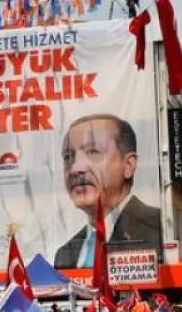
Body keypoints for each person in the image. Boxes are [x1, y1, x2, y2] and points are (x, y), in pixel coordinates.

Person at [52, 114, 162, 269]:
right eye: (68, 157)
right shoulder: (65, 254)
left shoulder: (158, 229)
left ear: (128, 165)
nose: (75, 168)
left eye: (93, 152)